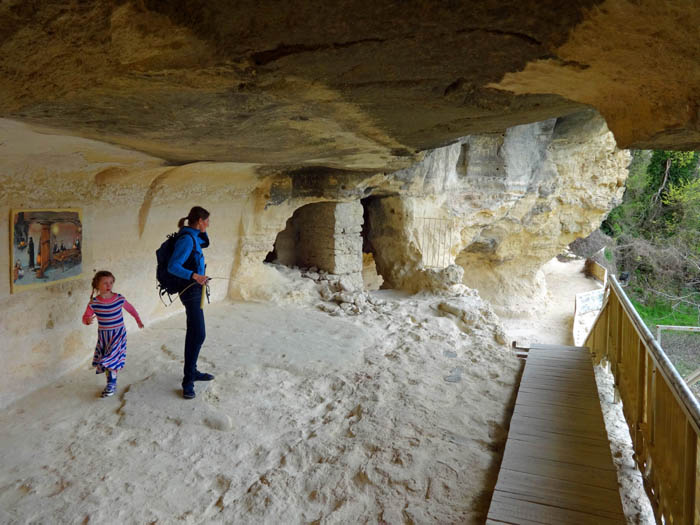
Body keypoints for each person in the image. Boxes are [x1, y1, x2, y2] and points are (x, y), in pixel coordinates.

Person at [167, 206, 213, 399]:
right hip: (190, 291)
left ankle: (192, 372)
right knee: (198, 333)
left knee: (195, 333)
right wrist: (195, 275)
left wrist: (200, 228)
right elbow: (173, 266)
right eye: (207, 221)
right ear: (200, 220)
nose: (209, 224)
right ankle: (188, 381)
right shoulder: (186, 239)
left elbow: (205, 242)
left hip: (196, 289)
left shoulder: (193, 236)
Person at [82, 270, 144, 397]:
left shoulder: (119, 298)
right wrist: (87, 320)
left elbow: (131, 309)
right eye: (105, 283)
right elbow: (86, 317)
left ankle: (111, 384)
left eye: (110, 282)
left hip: (118, 335)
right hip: (104, 337)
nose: (108, 285)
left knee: (109, 359)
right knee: (109, 362)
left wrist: (138, 320)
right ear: (97, 285)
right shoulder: (94, 303)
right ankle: (111, 382)